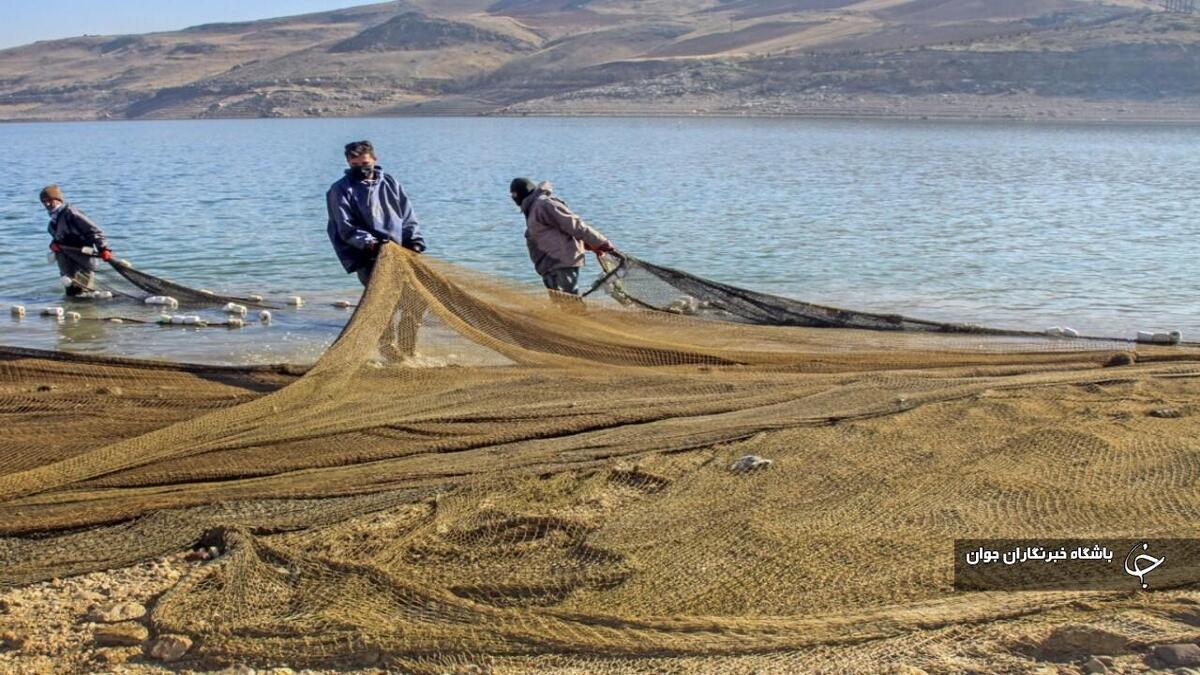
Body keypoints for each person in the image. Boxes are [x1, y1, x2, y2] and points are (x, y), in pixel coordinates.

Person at [326, 140, 427, 358]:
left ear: (374, 159)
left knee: (417, 300)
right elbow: (346, 228)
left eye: (364, 163)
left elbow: (407, 215)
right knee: (384, 304)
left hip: (399, 254)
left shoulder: (390, 183)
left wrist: (414, 241)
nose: (361, 168)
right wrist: (371, 243)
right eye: (355, 165)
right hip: (368, 257)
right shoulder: (340, 190)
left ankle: (407, 348)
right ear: (348, 163)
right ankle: (388, 350)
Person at [510, 178, 615, 296]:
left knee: (569, 301)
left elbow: (575, 225)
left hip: (562, 262)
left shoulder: (544, 204)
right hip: (548, 265)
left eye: (514, 194)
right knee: (560, 302)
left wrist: (601, 243)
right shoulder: (531, 208)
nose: (513, 198)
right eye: (512, 195)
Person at [41, 185, 113, 297]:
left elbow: (94, 231)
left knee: (84, 295)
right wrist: (53, 244)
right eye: (44, 202)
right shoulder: (53, 221)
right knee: (71, 295)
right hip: (66, 265)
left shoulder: (71, 213)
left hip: (83, 262)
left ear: (59, 199)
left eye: (50, 200)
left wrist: (104, 248)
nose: (47, 204)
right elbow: (59, 238)